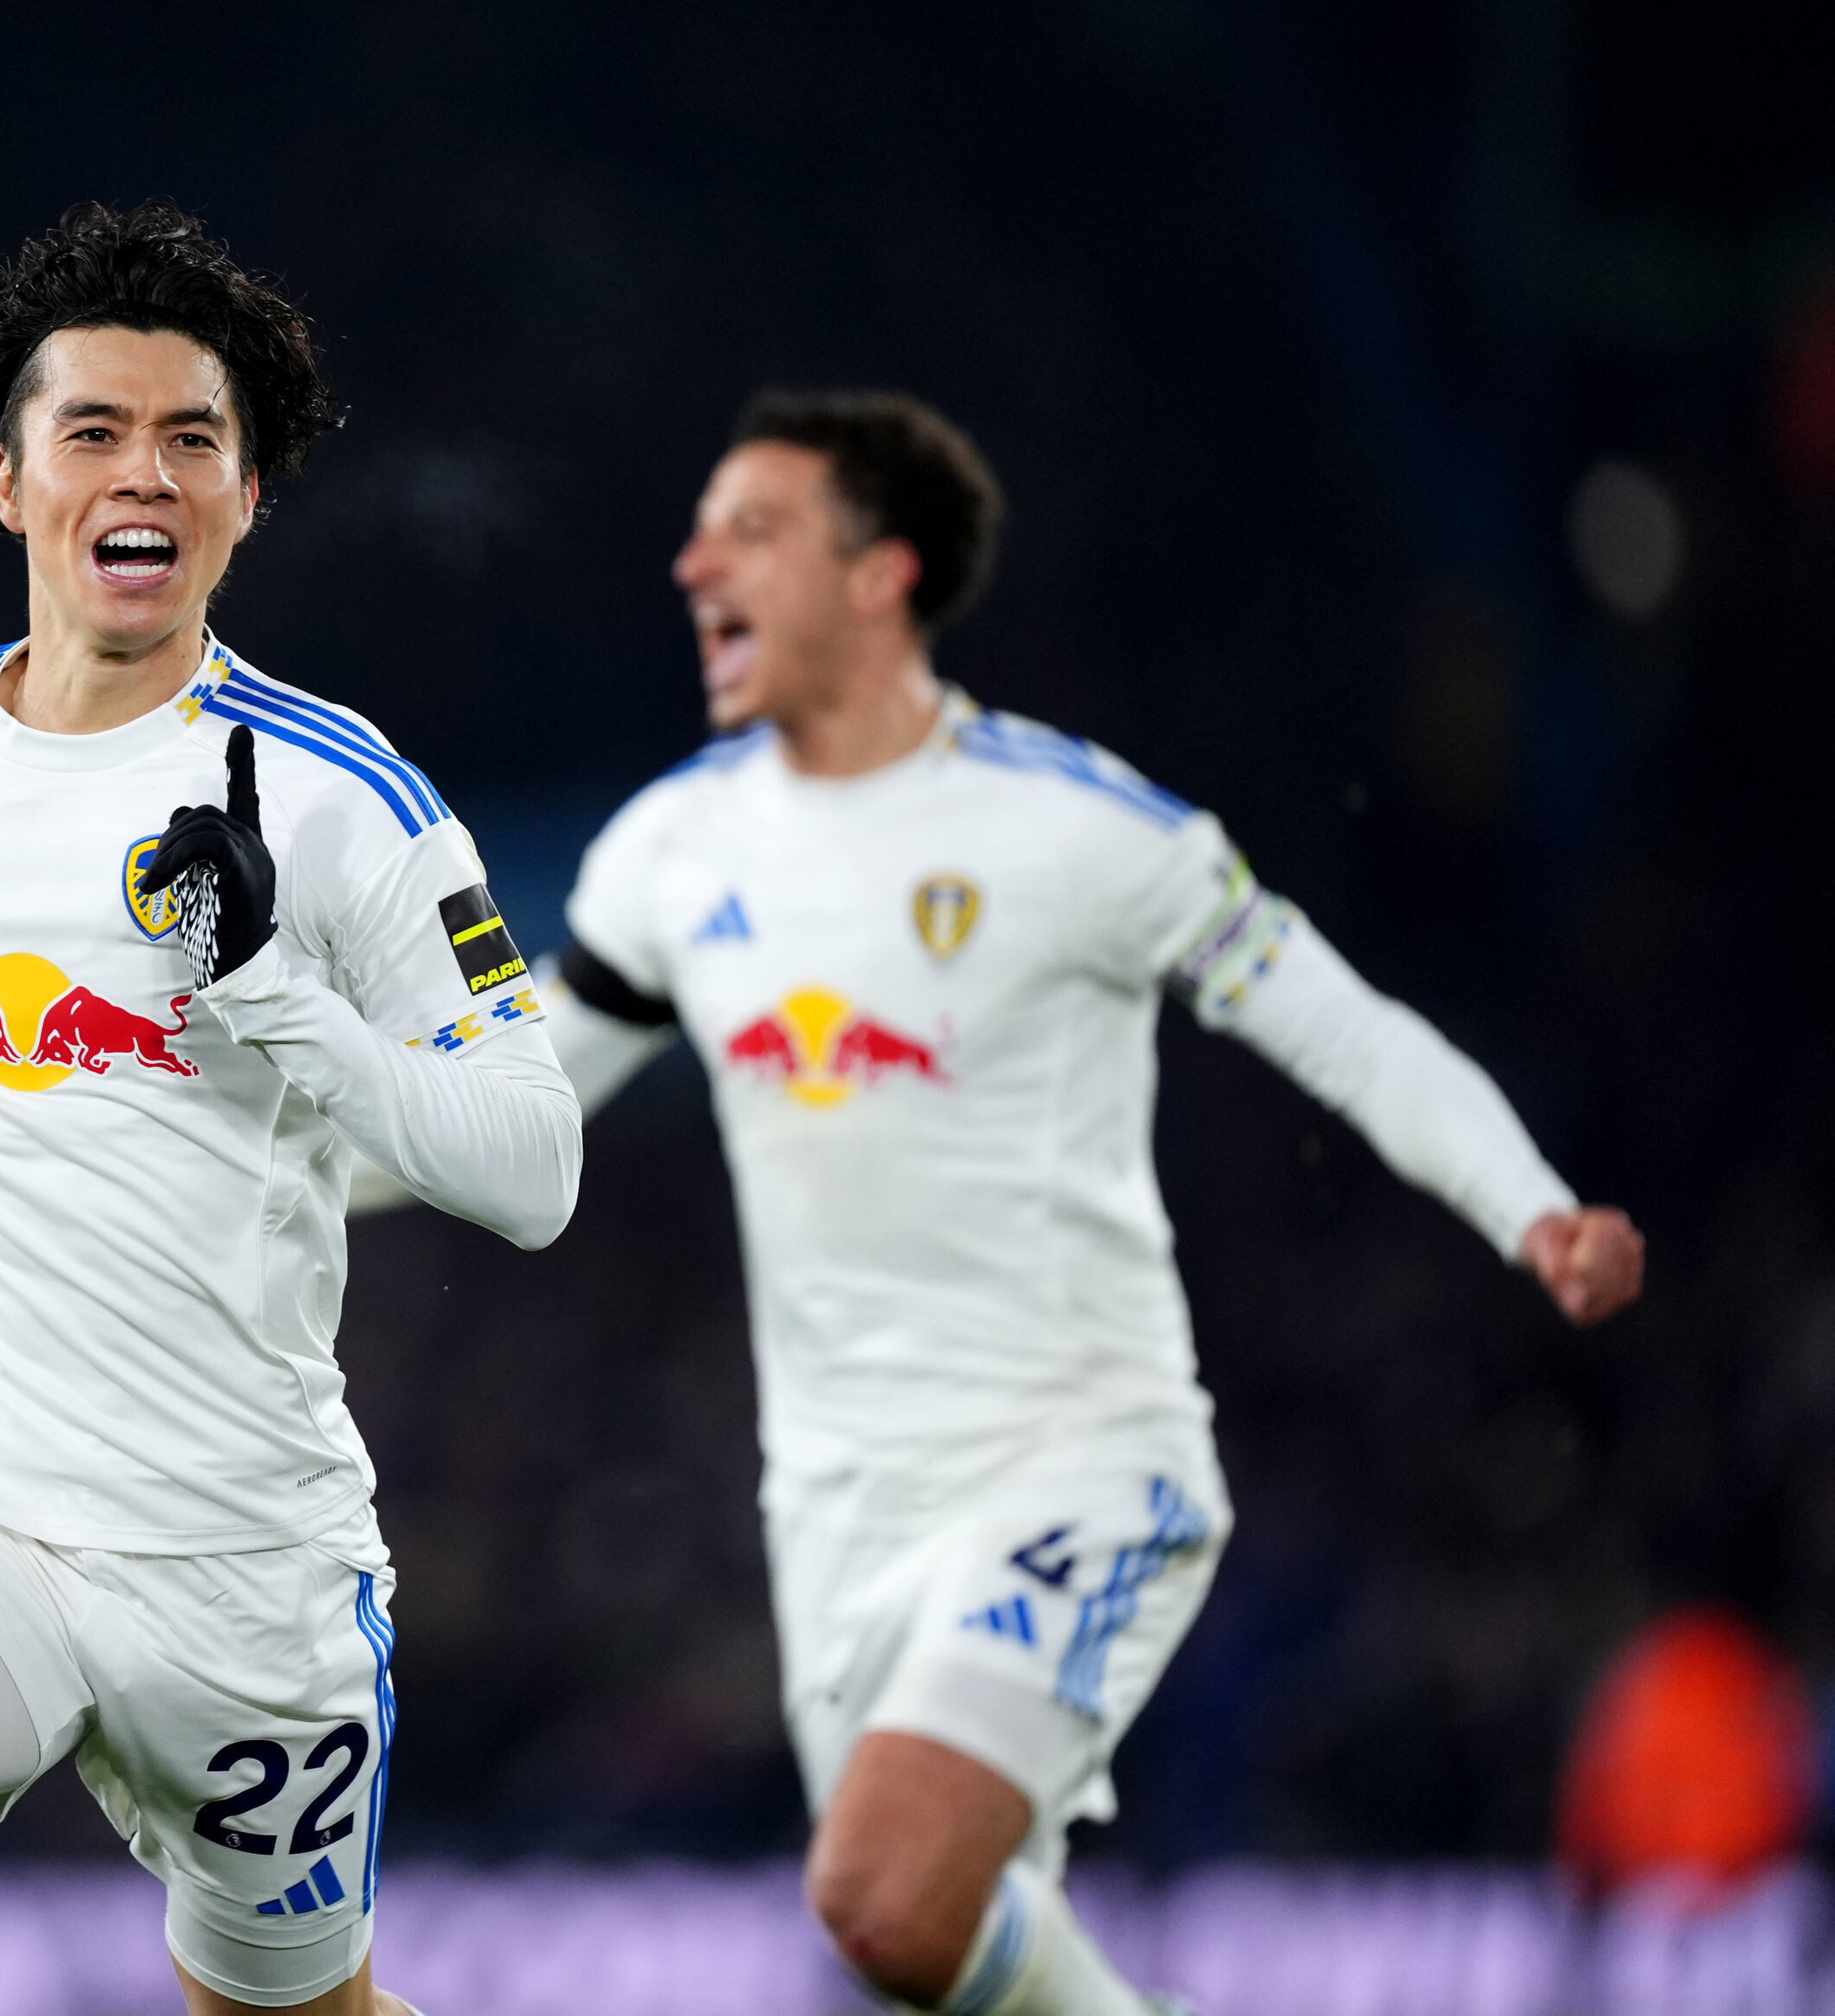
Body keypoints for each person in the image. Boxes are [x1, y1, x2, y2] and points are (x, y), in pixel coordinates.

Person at [360, 388, 1647, 2015]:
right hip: (837, 1506)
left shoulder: (1078, 828)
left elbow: (1341, 1025)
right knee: (925, 1946)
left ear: (882, 574)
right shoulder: (676, 851)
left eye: (751, 531)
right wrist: (224, 1155)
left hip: (1069, 1459)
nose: (695, 565)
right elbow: (504, 1110)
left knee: (886, 1889)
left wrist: (1531, 1204)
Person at [0, 200, 578, 2016]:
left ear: (245, 499)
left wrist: (272, 989)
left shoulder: (349, 801)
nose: (144, 472)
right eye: (95, 431)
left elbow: (535, 1170)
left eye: (193, 440)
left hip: (238, 1558)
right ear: (9, 482)